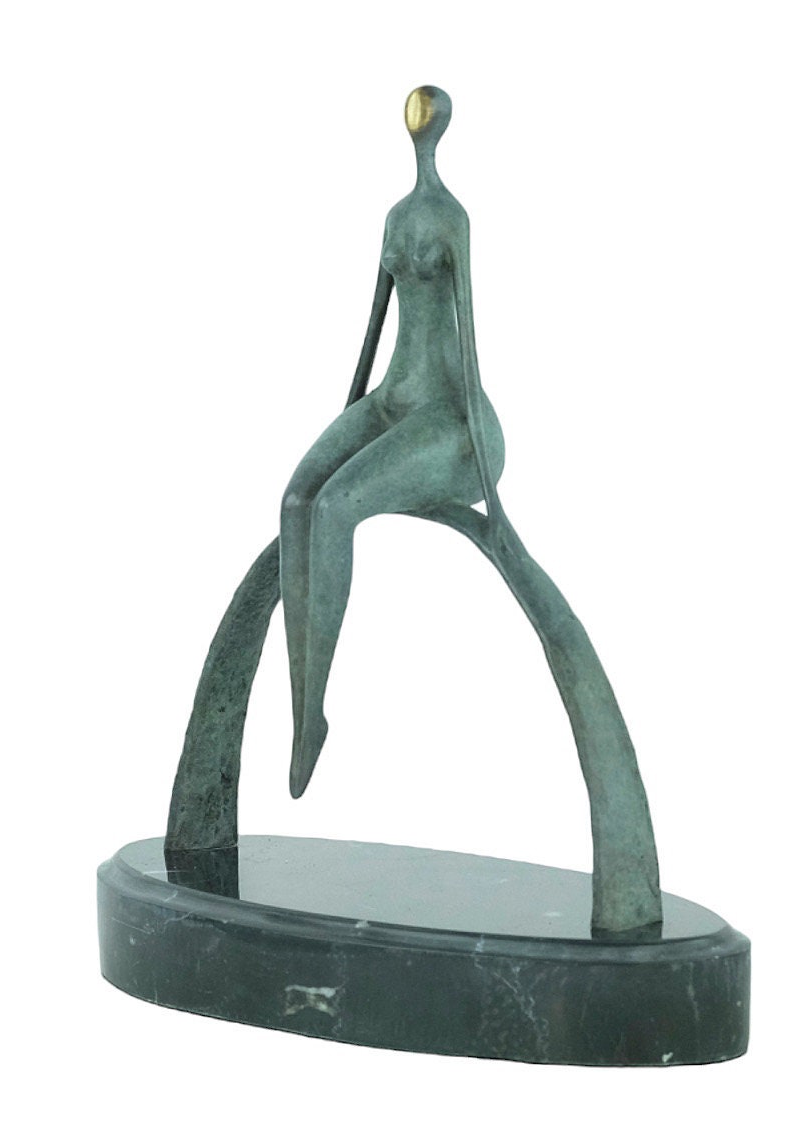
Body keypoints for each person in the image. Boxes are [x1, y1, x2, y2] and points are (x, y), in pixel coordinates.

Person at [278, 86, 504, 797]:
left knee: (335, 506)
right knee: (297, 501)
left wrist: (497, 500)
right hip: (389, 397)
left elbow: (470, 341)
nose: (419, 129)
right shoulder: (396, 218)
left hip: (445, 409)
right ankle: (306, 713)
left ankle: (314, 711)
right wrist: (346, 423)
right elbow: (372, 328)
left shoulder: (453, 218)